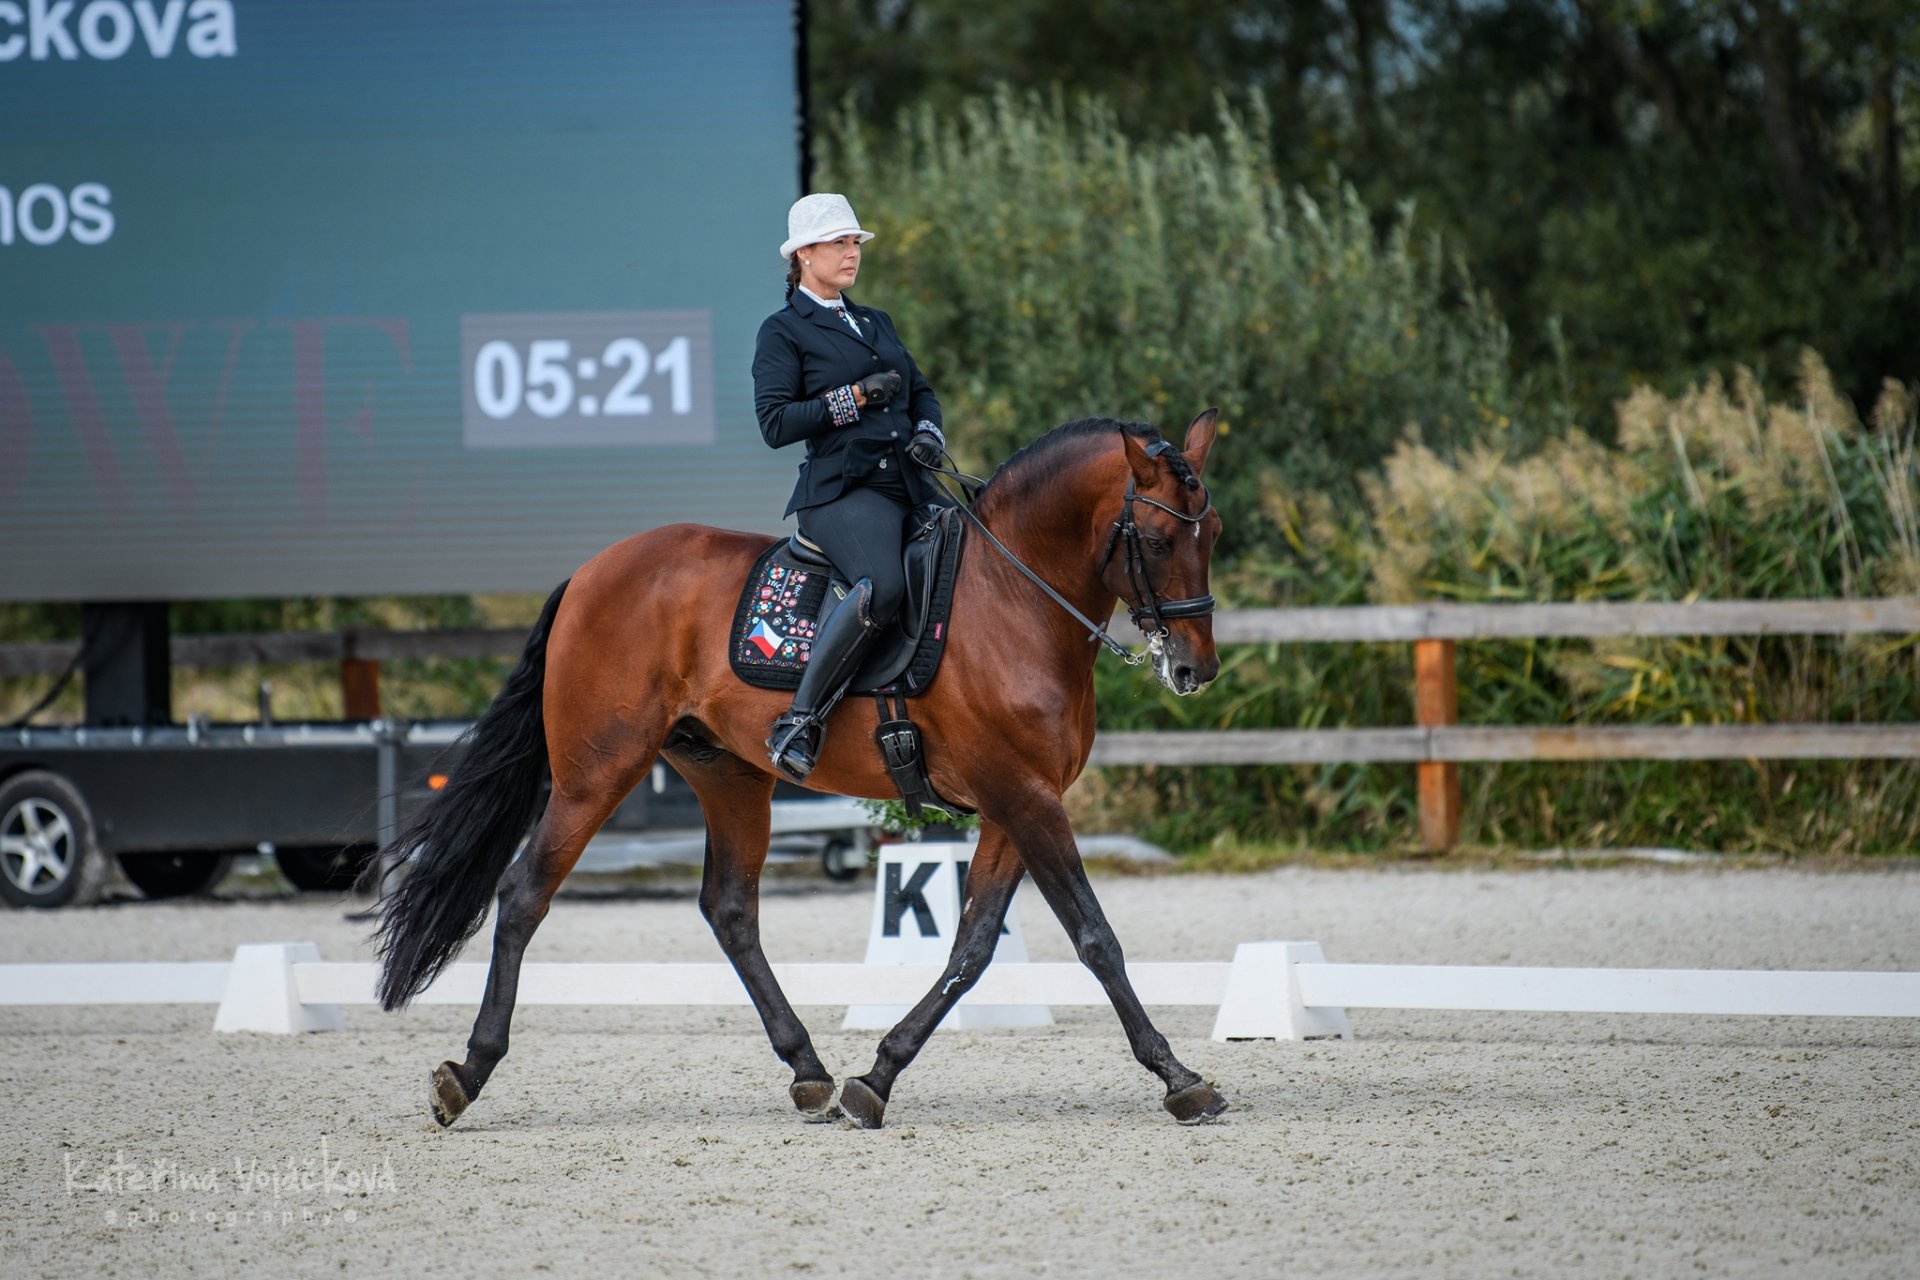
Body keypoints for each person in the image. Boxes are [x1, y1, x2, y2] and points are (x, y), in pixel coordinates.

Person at [752, 192, 947, 782]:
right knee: (882, 584)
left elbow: (923, 391)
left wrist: (929, 432)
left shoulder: (874, 321)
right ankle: (800, 720)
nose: (851, 253)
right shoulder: (783, 331)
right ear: (804, 254)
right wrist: (854, 398)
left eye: (854, 242)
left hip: (906, 481)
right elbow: (775, 424)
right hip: (840, 491)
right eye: (839, 242)